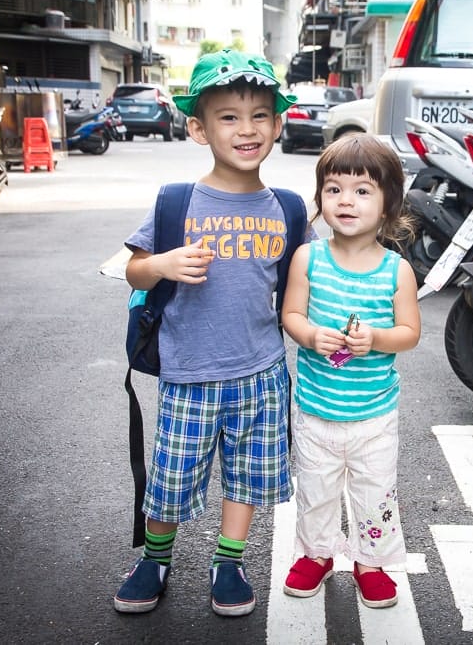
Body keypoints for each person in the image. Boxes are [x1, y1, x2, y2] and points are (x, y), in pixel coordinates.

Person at [113, 49, 304, 617]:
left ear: (277, 124)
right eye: (228, 117)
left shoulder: (288, 210)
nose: (247, 129)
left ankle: (230, 560)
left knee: (247, 477)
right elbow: (134, 270)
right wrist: (163, 265)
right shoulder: (178, 202)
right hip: (190, 372)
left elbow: (304, 281)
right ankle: (155, 557)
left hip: (262, 372)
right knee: (171, 478)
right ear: (198, 128)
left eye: (260, 116)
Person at [280, 133, 421, 609]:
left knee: (374, 491)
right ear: (320, 197)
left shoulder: (396, 270)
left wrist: (376, 339)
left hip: (374, 413)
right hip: (317, 408)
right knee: (316, 489)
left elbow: (409, 332)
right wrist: (309, 335)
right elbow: (292, 315)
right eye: (334, 188)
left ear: (387, 205)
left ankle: (370, 561)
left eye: (363, 191)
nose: (346, 200)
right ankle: (316, 555)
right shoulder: (309, 257)